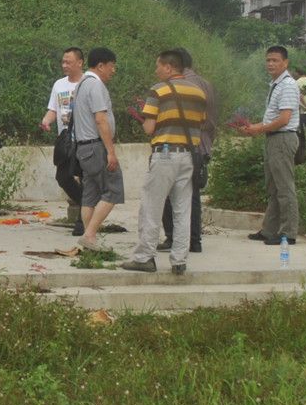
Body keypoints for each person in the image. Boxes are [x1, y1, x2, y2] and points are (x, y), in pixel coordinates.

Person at [125, 50, 209, 275]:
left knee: (151, 206)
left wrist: (145, 119)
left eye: (158, 66)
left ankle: (144, 257)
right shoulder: (199, 93)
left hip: (165, 154)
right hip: (189, 156)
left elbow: (149, 128)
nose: (156, 71)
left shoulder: (158, 90)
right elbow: (200, 124)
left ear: (169, 67)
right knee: (182, 209)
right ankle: (179, 260)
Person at [233, 45, 300, 246]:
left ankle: (288, 233)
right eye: (268, 60)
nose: (270, 64)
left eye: (275, 60)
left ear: (285, 63)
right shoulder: (276, 84)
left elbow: (284, 119)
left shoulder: (288, 85)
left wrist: (259, 129)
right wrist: (254, 127)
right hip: (273, 138)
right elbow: (273, 117)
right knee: (273, 187)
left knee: (284, 187)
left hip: (282, 138)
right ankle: (269, 230)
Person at [160, 48, 218, 255]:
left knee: (172, 194)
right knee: (192, 194)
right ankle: (194, 240)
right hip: (201, 145)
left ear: (174, 65)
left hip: (183, 144)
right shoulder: (205, 84)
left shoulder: (183, 86)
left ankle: (175, 238)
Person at [73, 47, 122, 253]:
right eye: (111, 66)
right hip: (96, 146)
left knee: (90, 195)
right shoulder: (95, 85)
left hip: (84, 148)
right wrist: (110, 151)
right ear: (101, 66)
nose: (113, 71)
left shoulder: (81, 84)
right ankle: (90, 234)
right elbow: (101, 119)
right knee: (114, 190)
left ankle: (89, 243)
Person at [39, 47, 87, 232]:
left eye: (69, 62)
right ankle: (87, 204)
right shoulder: (59, 84)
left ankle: (83, 222)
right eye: (63, 62)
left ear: (80, 63)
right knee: (63, 177)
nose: (64, 65)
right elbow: (53, 109)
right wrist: (46, 120)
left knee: (84, 178)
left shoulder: (89, 82)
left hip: (85, 138)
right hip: (66, 141)